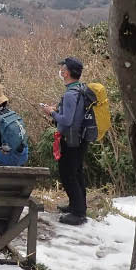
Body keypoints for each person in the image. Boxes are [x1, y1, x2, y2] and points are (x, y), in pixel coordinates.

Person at [41, 57, 91, 226]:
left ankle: (78, 213)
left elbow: (67, 120)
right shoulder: (81, 88)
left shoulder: (71, 93)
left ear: (67, 73)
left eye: (62, 69)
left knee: (68, 174)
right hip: (81, 137)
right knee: (76, 172)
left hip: (71, 139)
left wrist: (51, 112)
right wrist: (58, 110)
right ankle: (77, 205)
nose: (60, 71)